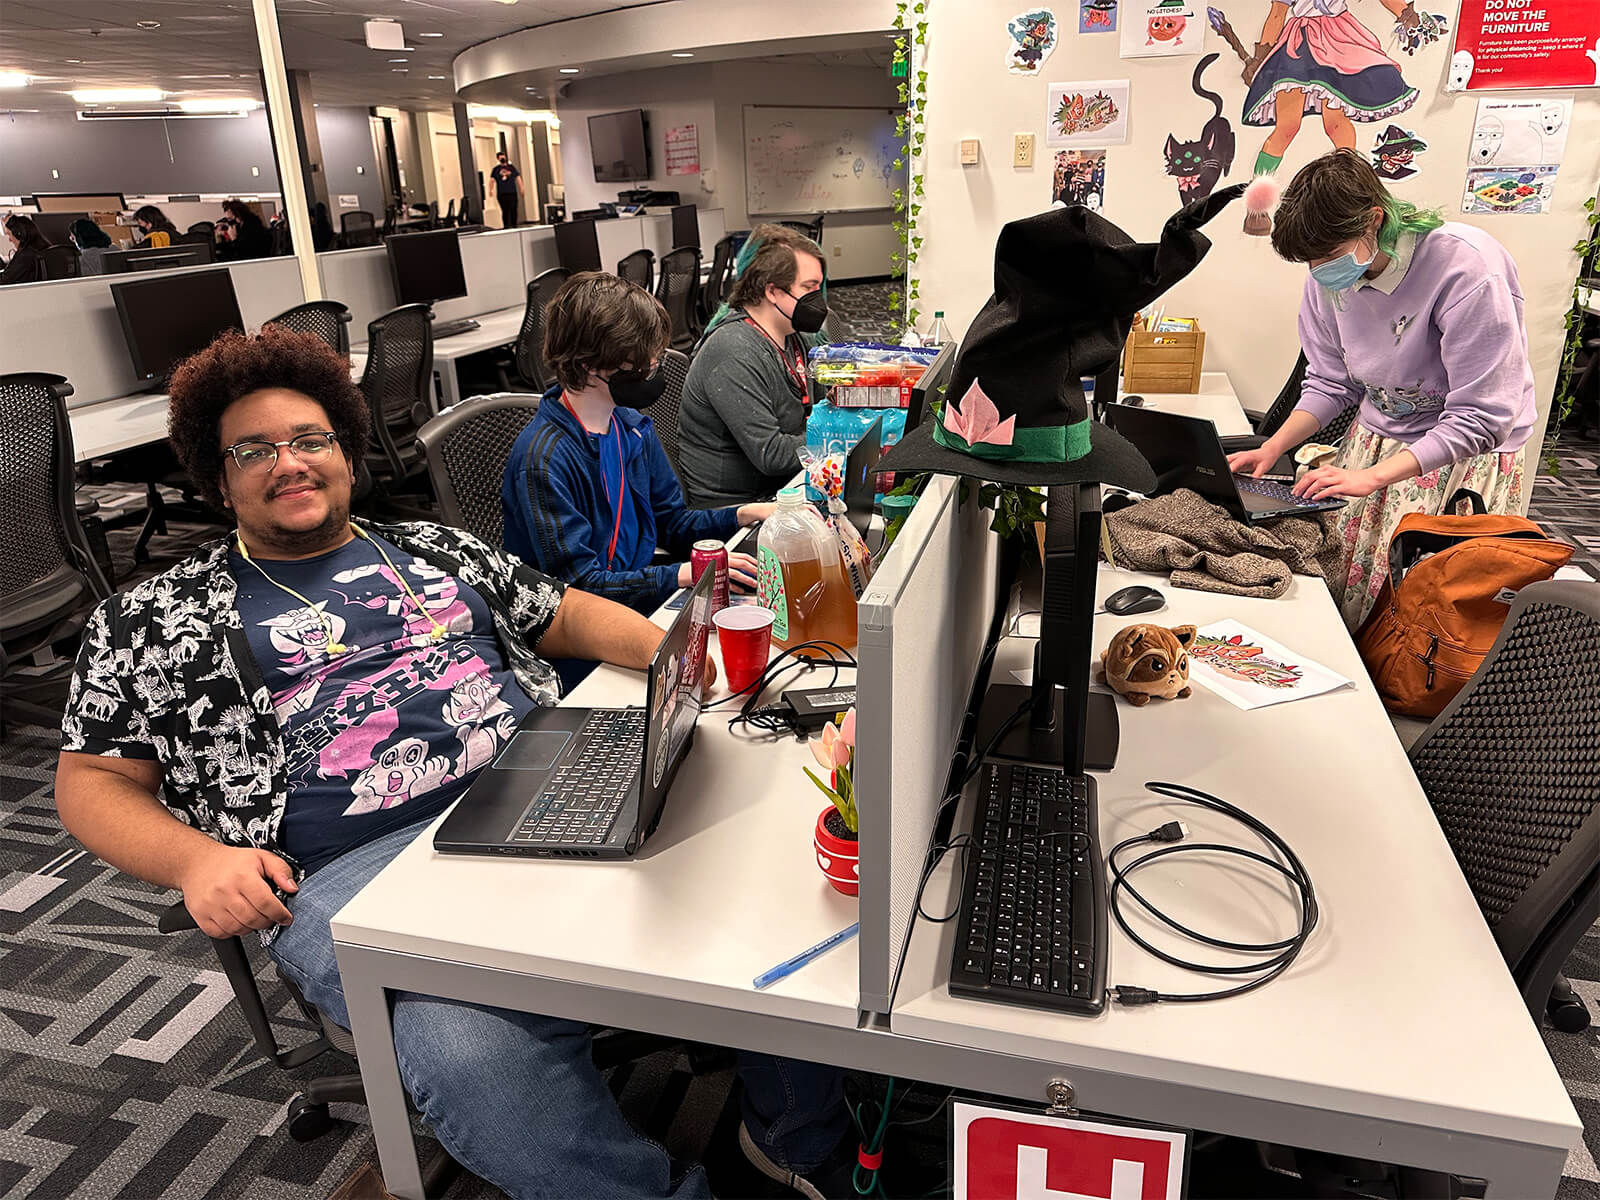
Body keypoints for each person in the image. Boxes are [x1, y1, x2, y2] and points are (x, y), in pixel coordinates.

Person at [53, 325, 849, 1199]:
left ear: (346, 453)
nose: (290, 463)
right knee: (470, 1052)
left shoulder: (432, 547)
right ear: (217, 473)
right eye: (256, 450)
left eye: (311, 440)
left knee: (761, 861)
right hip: (347, 868)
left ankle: (789, 1135)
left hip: (545, 776)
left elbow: (567, 611)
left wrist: (676, 663)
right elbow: (90, 780)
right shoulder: (154, 618)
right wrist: (197, 860)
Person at [1228, 150, 1536, 629]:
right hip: (1375, 441)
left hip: (1459, 458)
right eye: (1310, 262)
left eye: (1329, 256)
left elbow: (1483, 417)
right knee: (1348, 592)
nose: (1320, 271)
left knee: (1417, 610)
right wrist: (1272, 447)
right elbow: (1332, 381)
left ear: (1374, 220)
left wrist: (1372, 479)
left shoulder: (1466, 267)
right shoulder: (1327, 280)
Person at [502, 272, 771, 614]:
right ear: (589, 365)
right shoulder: (544, 460)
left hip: (636, 597)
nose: (652, 367)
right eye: (642, 363)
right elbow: (578, 590)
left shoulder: (630, 426)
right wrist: (681, 576)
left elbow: (671, 525)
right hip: (581, 630)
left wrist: (744, 514)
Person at [678, 225, 827, 508]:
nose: (818, 299)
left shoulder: (796, 337)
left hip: (787, 488)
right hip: (737, 510)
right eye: (809, 288)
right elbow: (771, 454)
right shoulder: (733, 350)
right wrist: (840, 439)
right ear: (772, 291)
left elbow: (823, 409)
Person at [1, 214, 49, 285]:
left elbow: (5, 280)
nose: (10, 239)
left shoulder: (25, 255)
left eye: (9, 234)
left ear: (19, 234)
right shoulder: (45, 248)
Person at [490, 149, 523, 228]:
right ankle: (506, 226)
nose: (502, 159)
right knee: (505, 210)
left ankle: (514, 225)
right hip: (502, 193)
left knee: (513, 210)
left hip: (512, 192)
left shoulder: (511, 167)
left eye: (503, 157)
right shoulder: (496, 169)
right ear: (498, 159)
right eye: (501, 158)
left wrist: (521, 187)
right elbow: (492, 180)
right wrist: (490, 190)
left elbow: (518, 177)